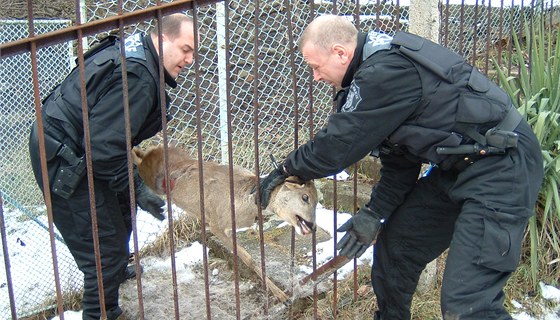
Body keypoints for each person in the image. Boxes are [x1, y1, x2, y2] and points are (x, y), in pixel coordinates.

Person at [259, 14, 543, 320]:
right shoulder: (375, 72)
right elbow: (401, 159)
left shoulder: (386, 71)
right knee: (398, 246)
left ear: (340, 53)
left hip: (503, 167)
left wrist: (288, 169)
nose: (315, 76)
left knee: (468, 303)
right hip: (459, 168)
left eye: (315, 66)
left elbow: (338, 145)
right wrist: (373, 213)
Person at [28, 13, 196, 320]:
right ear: (163, 38)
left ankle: (114, 272)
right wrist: (138, 186)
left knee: (121, 207)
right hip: (64, 156)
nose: (190, 59)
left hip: (76, 143)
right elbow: (105, 150)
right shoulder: (140, 77)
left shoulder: (138, 54)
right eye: (185, 49)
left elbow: (107, 138)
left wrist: (131, 189)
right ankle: (102, 311)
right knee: (101, 251)